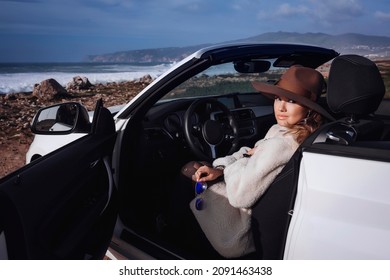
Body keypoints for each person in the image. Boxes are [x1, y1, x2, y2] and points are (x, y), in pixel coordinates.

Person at [170, 65, 332, 259]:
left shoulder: (281, 144)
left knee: (188, 169)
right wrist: (222, 168)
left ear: (308, 108)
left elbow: (239, 196)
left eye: (292, 101)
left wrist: (235, 163)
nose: (280, 107)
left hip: (238, 224)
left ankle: (173, 238)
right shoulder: (296, 132)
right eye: (278, 98)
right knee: (204, 166)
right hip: (248, 197)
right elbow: (249, 154)